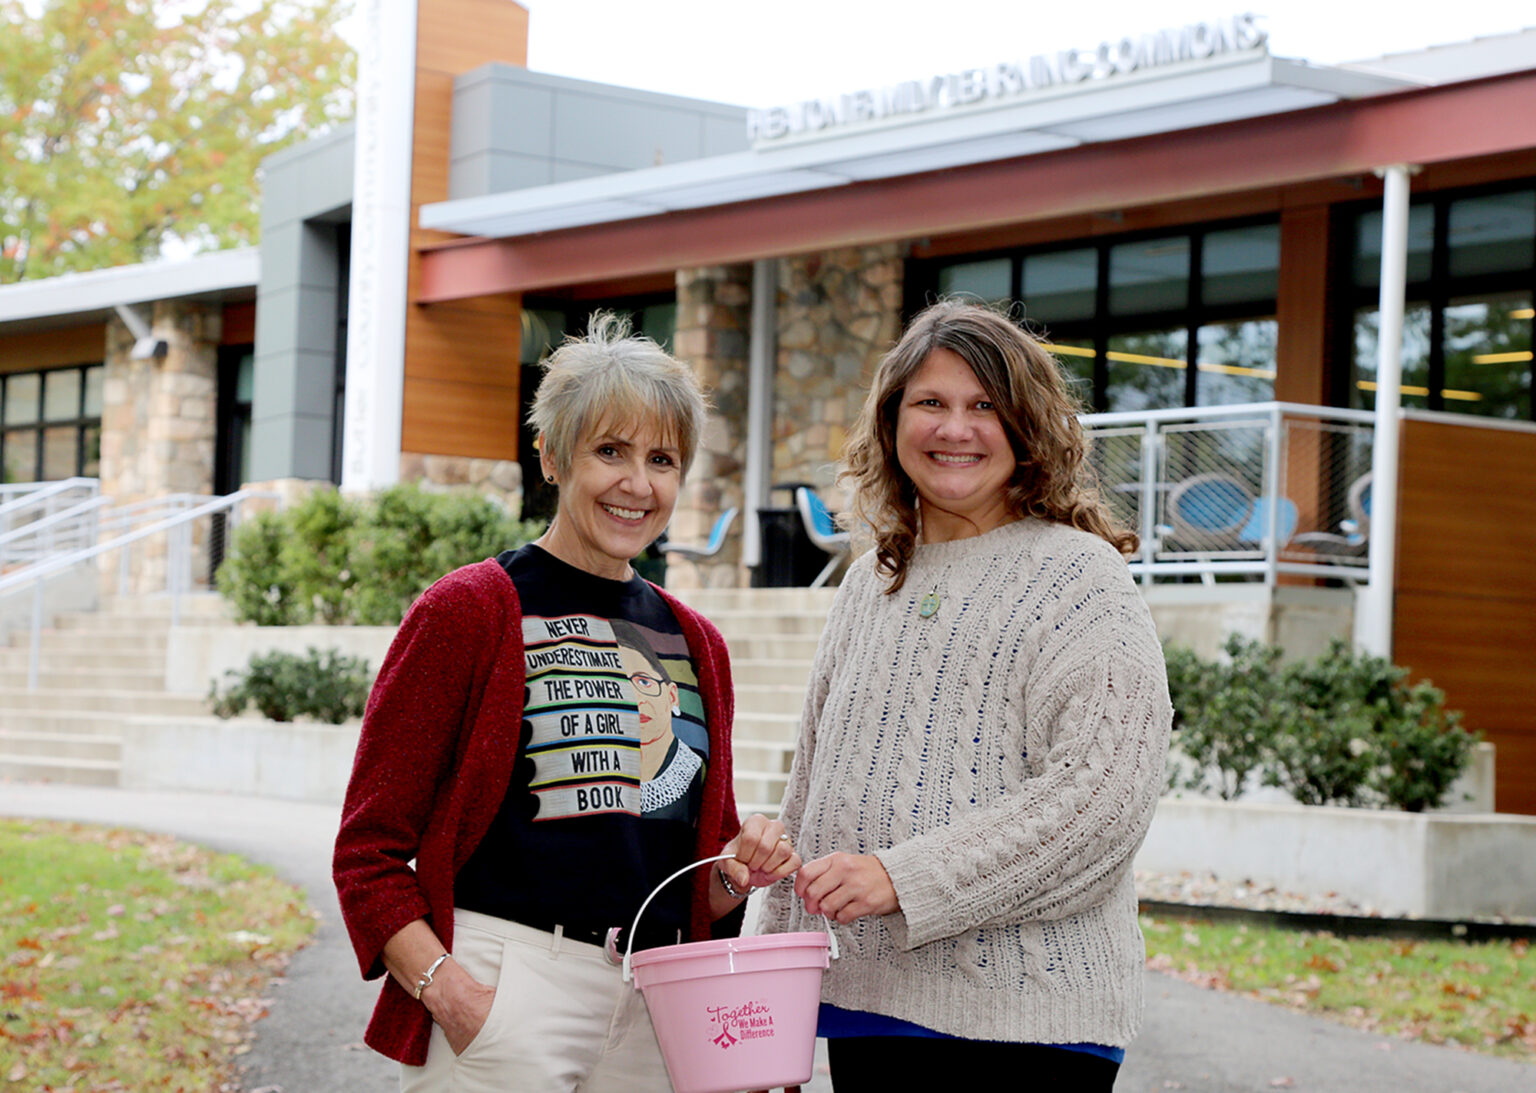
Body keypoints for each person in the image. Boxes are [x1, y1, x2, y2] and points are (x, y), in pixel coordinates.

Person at [334, 313, 800, 1093]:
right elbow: (368, 850)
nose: (638, 483)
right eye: (609, 451)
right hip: (507, 985)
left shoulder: (698, 643)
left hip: (659, 1007)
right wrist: (449, 989)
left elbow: (692, 873)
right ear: (551, 455)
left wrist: (739, 869)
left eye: (662, 458)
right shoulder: (471, 610)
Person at [758, 300, 1172, 1091]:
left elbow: (1102, 806)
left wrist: (906, 878)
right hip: (866, 1008)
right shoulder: (868, 582)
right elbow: (808, 793)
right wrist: (773, 988)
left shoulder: (1079, 578)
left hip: (1025, 1025)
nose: (957, 428)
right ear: (892, 423)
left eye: (985, 405)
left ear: (1026, 427)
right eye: (931, 403)